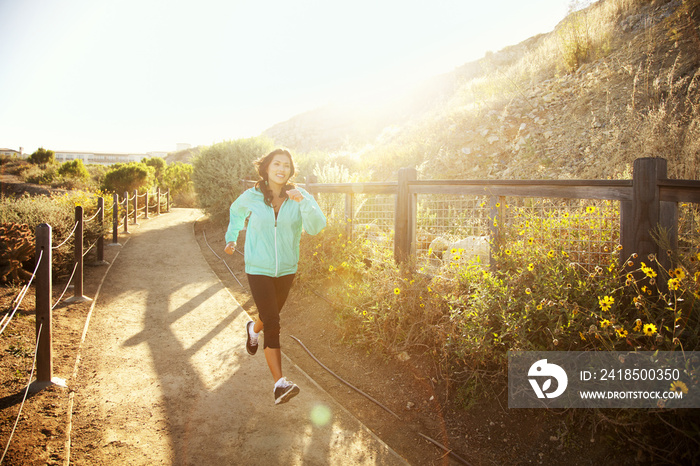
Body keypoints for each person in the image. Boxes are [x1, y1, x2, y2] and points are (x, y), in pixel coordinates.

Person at [224, 148, 326, 405]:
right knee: (273, 321)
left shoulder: (300, 196)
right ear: (267, 168)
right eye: (276, 164)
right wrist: (231, 237)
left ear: (291, 171)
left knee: (269, 315)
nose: (282, 169)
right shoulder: (252, 196)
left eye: (287, 165)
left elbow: (316, 227)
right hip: (258, 267)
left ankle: (252, 328)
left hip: (287, 268)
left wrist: (304, 202)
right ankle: (280, 384)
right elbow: (236, 212)